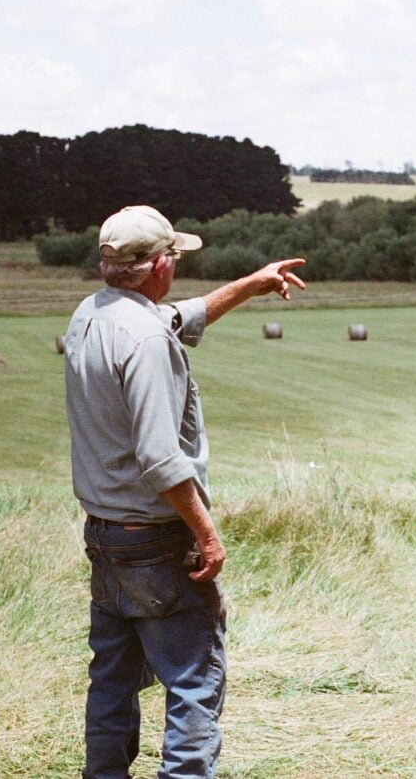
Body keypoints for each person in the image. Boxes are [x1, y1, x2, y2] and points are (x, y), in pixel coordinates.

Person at [64, 205, 305, 779]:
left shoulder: (92, 315)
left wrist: (251, 284)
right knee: (194, 684)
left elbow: (180, 317)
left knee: (112, 681)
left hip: (104, 534)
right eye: (173, 255)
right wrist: (206, 532)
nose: (177, 264)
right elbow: (160, 457)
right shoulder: (146, 339)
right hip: (155, 540)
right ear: (157, 265)